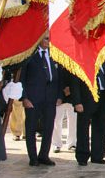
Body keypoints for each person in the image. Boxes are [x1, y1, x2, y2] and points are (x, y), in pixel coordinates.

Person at [19, 34, 61, 166]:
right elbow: (22, 78)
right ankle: (33, 157)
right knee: (31, 127)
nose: (49, 41)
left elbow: (59, 77)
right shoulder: (29, 55)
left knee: (48, 127)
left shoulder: (54, 55)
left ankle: (44, 155)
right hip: (33, 98)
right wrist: (24, 97)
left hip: (50, 98)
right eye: (46, 38)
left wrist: (59, 96)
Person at [72, 65, 105, 166]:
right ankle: (82, 156)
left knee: (101, 127)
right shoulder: (82, 61)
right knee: (83, 128)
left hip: (102, 97)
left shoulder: (104, 60)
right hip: (86, 99)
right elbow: (75, 82)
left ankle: (97, 156)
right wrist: (77, 102)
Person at [52, 70, 76, 153]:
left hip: (73, 95)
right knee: (56, 120)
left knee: (73, 120)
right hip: (58, 95)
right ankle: (56, 143)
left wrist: (71, 89)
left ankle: (72, 143)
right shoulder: (57, 59)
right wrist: (62, 91)